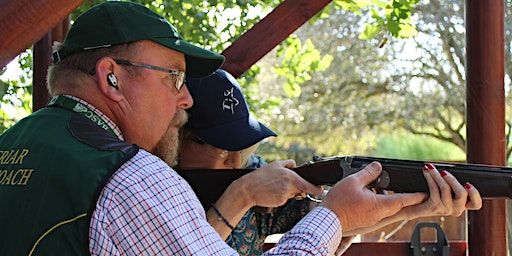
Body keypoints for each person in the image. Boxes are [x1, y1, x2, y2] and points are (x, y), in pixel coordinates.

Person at [0, 2, 481, 255]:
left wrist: (369, 214)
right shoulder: (132, 179)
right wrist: (333, 218)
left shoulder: (14, 145)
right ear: (111, 77)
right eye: (174, 77)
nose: (185, 97)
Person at [175, 69, 483, 255]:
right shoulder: (158, 190)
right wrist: (241, 195)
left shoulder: (255, 174)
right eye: (221, 148)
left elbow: (339, 219)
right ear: (178, 136)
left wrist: (421, 207)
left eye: (240, 146)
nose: (234, 159)